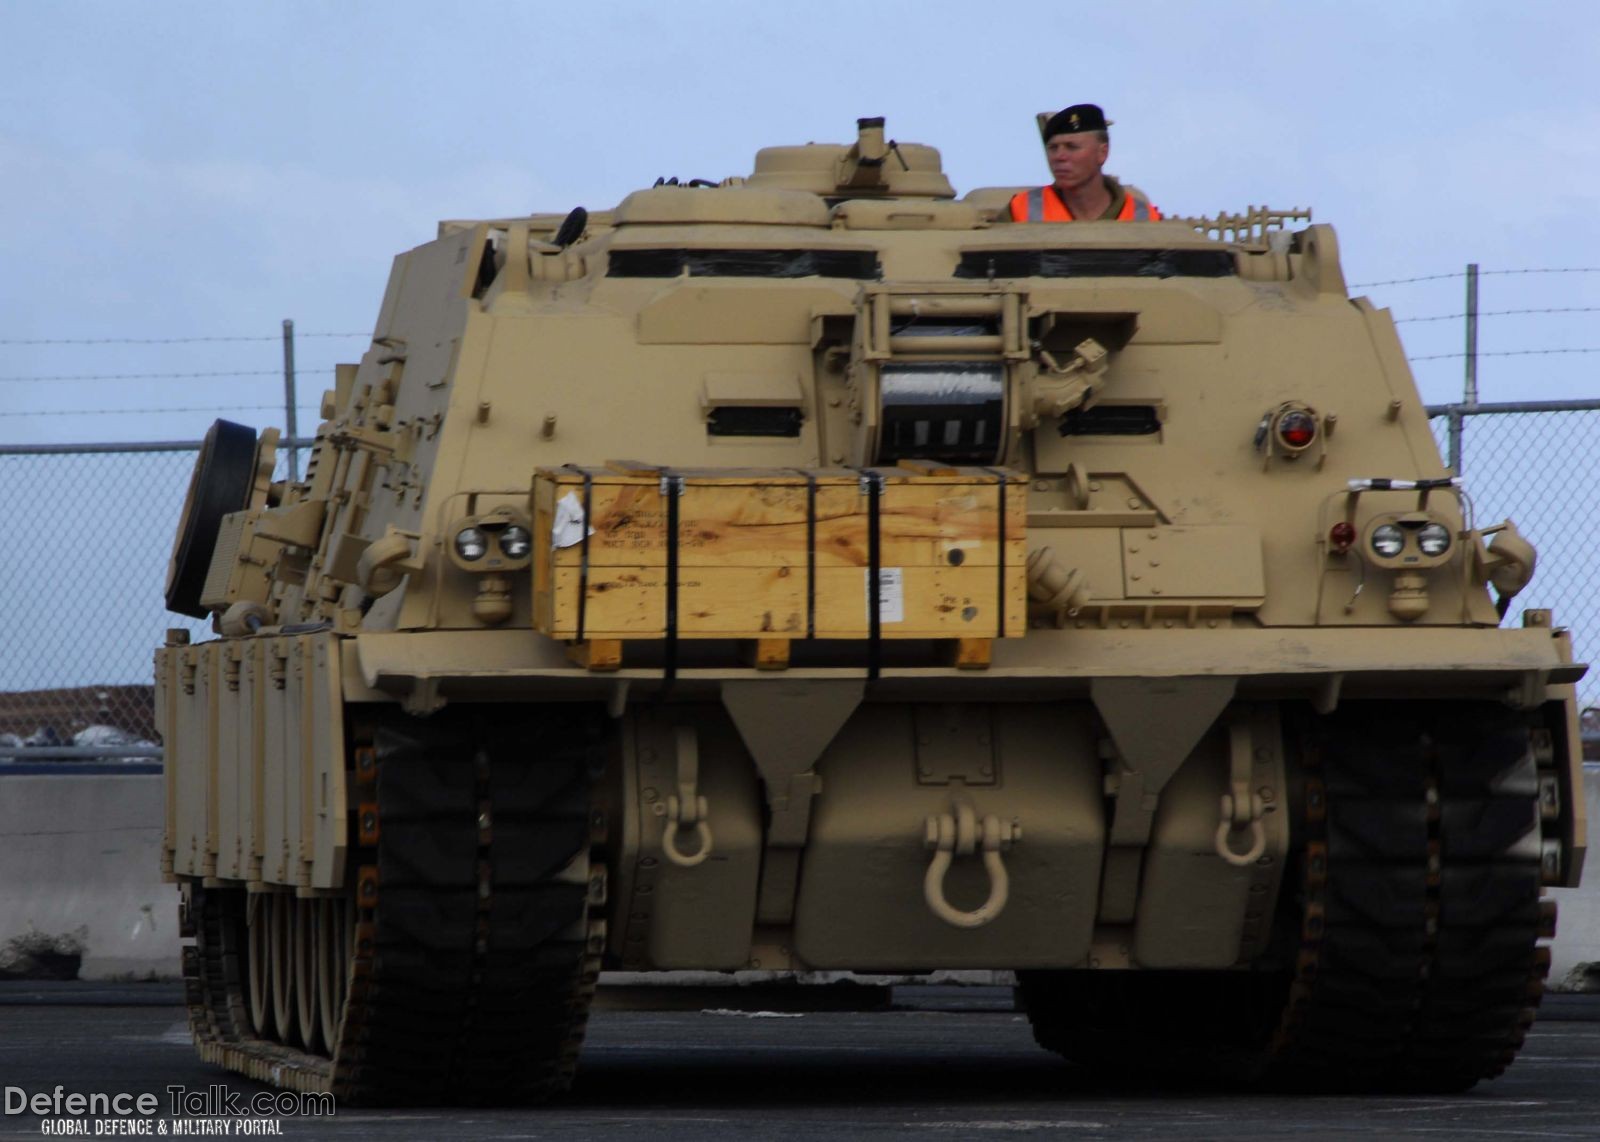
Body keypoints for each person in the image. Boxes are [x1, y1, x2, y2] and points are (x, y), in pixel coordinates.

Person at [1008, 104, 1161, 223]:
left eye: (1072, 147)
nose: (1059, 157)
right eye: (1053, 148)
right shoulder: (1019, 211)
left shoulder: (1145, 218)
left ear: (1102, 153)